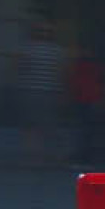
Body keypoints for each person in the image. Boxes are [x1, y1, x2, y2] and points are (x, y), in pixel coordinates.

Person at [15, 21, 66, 164]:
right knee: (31, 125)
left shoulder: (54, 50)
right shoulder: (29, 48)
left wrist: (61, 91)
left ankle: (42, 155)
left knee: (45, 125)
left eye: (46, 31)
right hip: (33, 91)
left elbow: (60, 72)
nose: (44, 33)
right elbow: (20, 67)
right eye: (41, 30)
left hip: (47, 92)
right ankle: (32, 155)